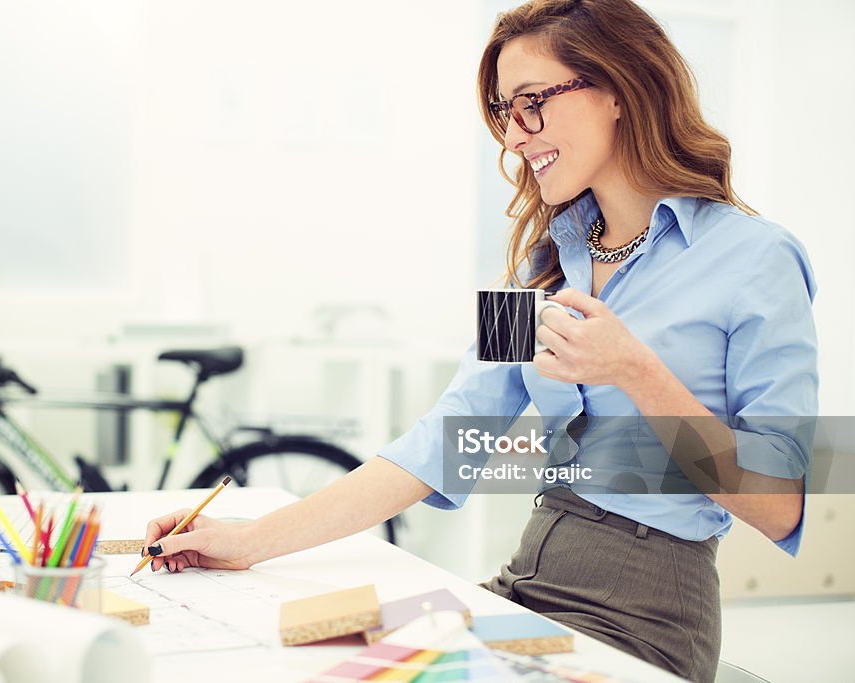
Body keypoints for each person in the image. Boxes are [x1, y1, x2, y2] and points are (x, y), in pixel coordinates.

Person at [140, 1, 817, 681]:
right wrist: (246, 542)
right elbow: (443, 438)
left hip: (642, 616)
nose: (516, 136)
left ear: (617, 87)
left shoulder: (757, 257)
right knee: (321, 659)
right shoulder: (542, 261)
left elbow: (779, 500)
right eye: (504, 112)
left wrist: (635, 370)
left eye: (533, 103)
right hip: (526, 581)